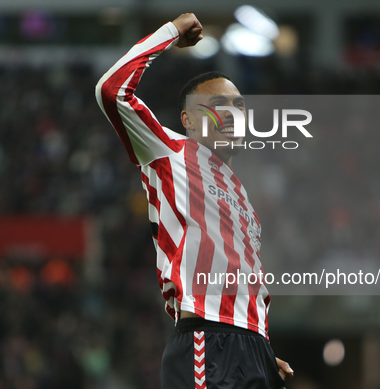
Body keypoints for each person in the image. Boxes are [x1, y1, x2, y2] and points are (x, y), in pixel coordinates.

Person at [96, 13, 293, 389]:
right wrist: (170, 33)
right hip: (208, 341)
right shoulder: (168, 151)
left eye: (238, 105)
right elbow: (111, 89)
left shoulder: (242, 195)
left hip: (254, 350)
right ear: (188, 119)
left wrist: (261, 347)